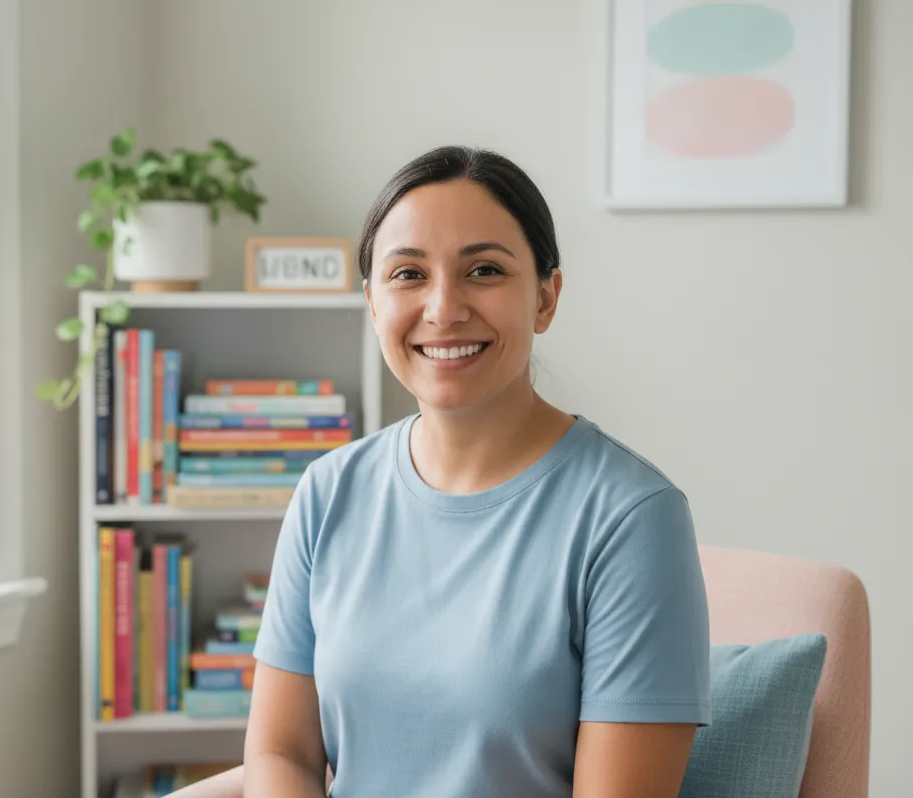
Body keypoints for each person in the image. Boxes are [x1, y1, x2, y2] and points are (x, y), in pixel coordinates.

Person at [242, 146, 711, 798]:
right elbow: (280, 754)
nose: (443, 308)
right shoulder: (328, 492)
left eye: (484, 270)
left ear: (546, 298)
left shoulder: (632, 517)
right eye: (408, 275)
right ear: (373, 305)